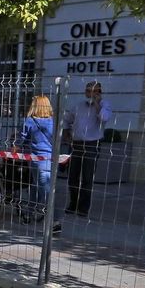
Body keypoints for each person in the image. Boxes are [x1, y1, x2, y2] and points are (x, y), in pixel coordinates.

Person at [62, 81, 112, 218]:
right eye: (88, 90)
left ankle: (83, 207)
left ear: (99, 93)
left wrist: (97, 104)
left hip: (92, 145)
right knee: (72, 176)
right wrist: (66, 132)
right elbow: (66, 119)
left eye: (93, 91)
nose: (90, 93)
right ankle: (73, 204)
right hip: (76, 144)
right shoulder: (78, 105)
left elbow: (104, 118)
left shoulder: (105, 105)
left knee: (87, 178)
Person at [16, 95, 59, 233]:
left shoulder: (30, 121)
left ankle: (55, 221)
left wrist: (14, 148)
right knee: (36, 186)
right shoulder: (54, 122)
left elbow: (22, 138)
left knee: (45, 190)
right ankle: (28, 214)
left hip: (37, 159)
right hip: (51, 158)